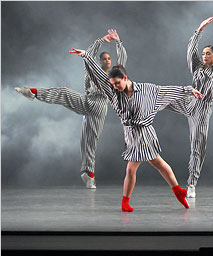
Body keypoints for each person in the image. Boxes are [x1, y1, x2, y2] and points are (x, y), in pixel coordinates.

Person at [69, 41, 203, 212]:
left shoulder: (148, 90)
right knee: (158, 163)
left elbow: (166, 90)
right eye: (112, 84)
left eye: (117, 83)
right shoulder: (113, 92)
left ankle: (126, 202)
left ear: (125, 78)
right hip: (130, 134)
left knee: (133, 169)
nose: (114, 87)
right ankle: (178, 191)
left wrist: (188, 90)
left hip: (145, 133)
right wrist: (86, 56)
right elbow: (98, 77)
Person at [14, 29, 127, 189]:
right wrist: (101, 40)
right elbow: (88, 55)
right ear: (99, 61)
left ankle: (89, 175)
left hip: (100, 107)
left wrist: (118, 42)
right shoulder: (92, 71)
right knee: (64, 92)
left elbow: (122, 61)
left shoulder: (113, 77)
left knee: (90, 141)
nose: (108, 61)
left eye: (109, 59)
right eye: (104, 59)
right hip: (87, 100)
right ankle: (32, 92)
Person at [163, 17, 213, 198]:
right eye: (204, 53)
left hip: (203, 109)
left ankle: (192, 184)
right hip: (189, 100)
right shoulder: (197, 67)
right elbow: (190, 51)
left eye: (208, 53)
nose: (204, 56)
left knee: (197, 145)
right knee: (163, 95)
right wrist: (199, 30)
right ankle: (138, 101)